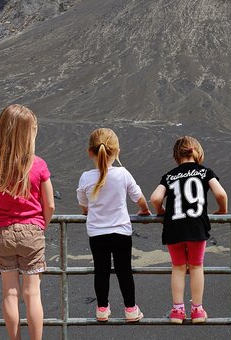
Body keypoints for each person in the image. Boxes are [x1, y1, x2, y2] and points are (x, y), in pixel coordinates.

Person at [0, 104, 54, 340]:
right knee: (32, 293)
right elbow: (49, 205)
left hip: (3, 232)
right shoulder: (38, 165)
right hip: (32, 231)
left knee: (9, 293)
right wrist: (41, 225)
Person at [150, 136, 228, 324]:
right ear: (196, 151)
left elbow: (155, 198)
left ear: (176, 156)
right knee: (196, 266)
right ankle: (197, 310)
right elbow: (220, 193)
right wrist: (223, 210)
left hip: (173, 226)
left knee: (177, 267)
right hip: (196, 226)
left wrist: (161, 211)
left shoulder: (169, 175)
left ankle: (177, 311)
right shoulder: (205, 172)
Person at [77, 128, 151, 323]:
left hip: (96, 233)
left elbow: (83, 205)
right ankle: (131, 309)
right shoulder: (123, 174)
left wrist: (87, 212)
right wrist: (144, 210)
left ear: (90, 152)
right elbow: (138, 197)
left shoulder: (86, 177)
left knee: (101, 271)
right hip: (120, 231)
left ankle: (102, 308)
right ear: (117, 151)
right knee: (124, 271)